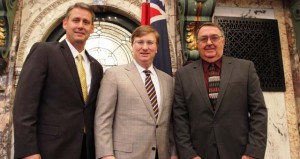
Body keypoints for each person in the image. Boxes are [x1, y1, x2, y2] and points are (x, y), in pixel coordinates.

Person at [13, 2, 103, 159]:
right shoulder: (44, 52)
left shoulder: (96, 67)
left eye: (86, 22)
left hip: (86, 151)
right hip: (49, 150)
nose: (81, 26)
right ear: (65, 23)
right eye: (76, 20)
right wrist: (29, 152)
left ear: (92, 28)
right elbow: (24, 106)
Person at [173, 22, 268, 159]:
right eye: (204, 39)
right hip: (199, 154)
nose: (209, 42)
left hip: (240, 153)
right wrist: (189, 155)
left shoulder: (245, 68)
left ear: (223, 41)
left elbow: (258, 112)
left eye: (214, 37)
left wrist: (252, 153)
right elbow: (179, 118)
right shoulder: (183, 75)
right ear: (197, 44)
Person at [94, 25, 177, 159]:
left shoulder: (168, 80)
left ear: (156, 48)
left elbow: (170, 122)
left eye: (150, 43)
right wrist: (106, 155)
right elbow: (103, 119)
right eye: (140, 42)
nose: (145, 47)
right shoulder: (114, 75)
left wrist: (174, 152)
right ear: (132, 45)